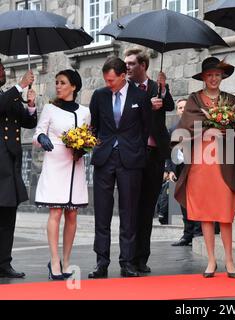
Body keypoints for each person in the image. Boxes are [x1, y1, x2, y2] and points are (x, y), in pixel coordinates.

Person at [173, 57, 235, 278]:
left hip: (225, 161)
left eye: (217, 75)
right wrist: (204, 131)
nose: (214, 79)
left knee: (225, 212)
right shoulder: (193, 99)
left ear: (222, 77)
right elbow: (185, 126)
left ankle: (229, 260)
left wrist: (229, 130)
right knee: (206, 213)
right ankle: (210, 261)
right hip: (201, 162)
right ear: (203, 77)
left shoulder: (231, 100)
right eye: (210, 75)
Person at [88, 57, 150, 279]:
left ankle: (128, 262)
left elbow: (145, 128)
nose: (108, 84)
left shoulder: (140, 97)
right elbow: (94, 126)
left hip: (131, 160)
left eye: (112, 80)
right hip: (104, 159)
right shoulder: (99, 96)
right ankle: (101, 262)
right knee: (102, 213)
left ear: (123, 76)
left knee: (129, 212)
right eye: (106, 80)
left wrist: (135, 150)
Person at [33, 70, 89, 280]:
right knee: (55, 212)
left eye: (62, 82)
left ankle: (66, 261)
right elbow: (39, 132)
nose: (58, 86)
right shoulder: (50, 108)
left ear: (73, 86)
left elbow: (88, 135)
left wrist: (84, 147)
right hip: (55, 164)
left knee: (72, 214)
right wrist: (41, 138)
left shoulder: (85, 111)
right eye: (56, 82)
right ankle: (54, 260)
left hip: (75, 165)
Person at [124, 48, 175, 274]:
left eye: (132, 63)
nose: (127, 67)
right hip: (133, 153)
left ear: (143, 65)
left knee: (147, 209)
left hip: (155, 154)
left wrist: (163, 90)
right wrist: (147, 105)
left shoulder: (156, 87)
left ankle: (142, 258)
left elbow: (170, 106)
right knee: (132, 208)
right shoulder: (124, 90)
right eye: (126, 63)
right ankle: (128, 257)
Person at [0, 62, 36, 279]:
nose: (3, 73)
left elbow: (28, 121)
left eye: (3, 69)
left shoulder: (8, 96)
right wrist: (21, 86)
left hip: (10, 165)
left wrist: (31, 105)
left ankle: (4, 262)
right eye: (0, 69)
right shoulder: (8, 96)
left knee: (7, 218)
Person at [168, 98, 201, 246]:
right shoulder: (172, 129)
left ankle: (198, 232)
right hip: (180, 169)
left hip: (195, 168)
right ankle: (187, 234)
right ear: (177, 111)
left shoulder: (198, 127)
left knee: (198, 200)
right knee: (183, 200)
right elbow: (169, 151)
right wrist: (169, 170)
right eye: (179, 108)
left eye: (185, 107)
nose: (182, 110)